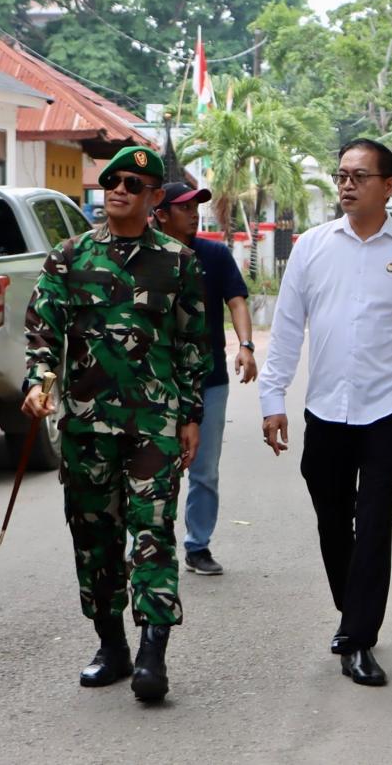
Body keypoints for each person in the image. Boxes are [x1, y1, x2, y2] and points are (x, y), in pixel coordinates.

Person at [22, 145, 210, 702]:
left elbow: (192, 345)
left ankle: (154, 651)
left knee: (152, 533)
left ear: (154, 197)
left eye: (133, 183)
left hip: (154, 422)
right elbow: (42, 329)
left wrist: (192, 414)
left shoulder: (178, 262)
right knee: (94, 538)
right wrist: (38, 382)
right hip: (86, 425)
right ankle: (112, 645)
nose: (119, 189)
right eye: (112, 181)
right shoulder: (68, 256)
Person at [259, 138, 392, 687]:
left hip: (388, 410)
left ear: (388, 188)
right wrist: (273, 399)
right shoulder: (312, 247)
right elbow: (288, 330)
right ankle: (352, 611)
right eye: (342, 175)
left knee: (373, 526)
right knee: (332, 518)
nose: (345, 184)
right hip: (326, 410)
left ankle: (359, 636)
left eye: (359, 176)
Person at [153, 183, 257, 577]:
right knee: (152, 467)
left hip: (208, 380)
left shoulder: (213, 254)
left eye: (197, 206)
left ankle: (197, 545)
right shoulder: (142, 256)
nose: (194, 213)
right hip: (156, 382)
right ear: (161, 214)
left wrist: (246, 345)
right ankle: (145, 545)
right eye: (184, 208)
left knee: (204, 468)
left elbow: (236, 301)